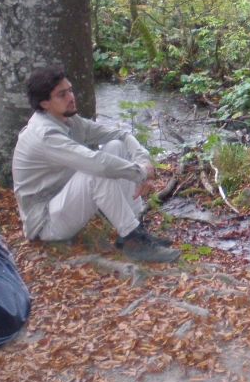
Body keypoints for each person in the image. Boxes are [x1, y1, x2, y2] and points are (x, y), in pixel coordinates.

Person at [12, 66, 179, 263]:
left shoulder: (68, 120)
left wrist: (143, 160)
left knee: (115, 147)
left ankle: (135, 229)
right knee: (96, 172)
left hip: (63, 202)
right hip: (45, 223)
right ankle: (133, 240)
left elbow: (121, 134)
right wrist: (139, 173)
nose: (71, 97)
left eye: (70, 90)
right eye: (62, 94)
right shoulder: (45, 135)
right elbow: (97, 164)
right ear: (45, 103)